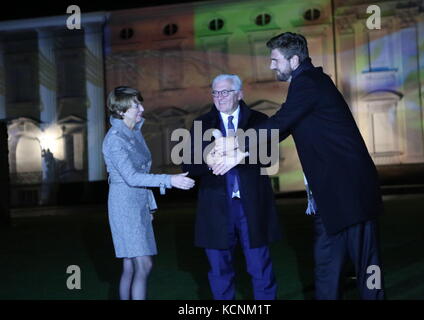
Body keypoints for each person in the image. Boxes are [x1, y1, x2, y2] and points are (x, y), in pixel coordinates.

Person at [211, 33, 385, 300]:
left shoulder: (309, 82)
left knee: (366, 264)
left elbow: (281, 122)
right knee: (326, 264)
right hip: (331, 194)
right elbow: (284, 127)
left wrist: (237, 144)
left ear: (294, 59)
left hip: (349, 190)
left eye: (275, 60)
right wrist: (239, 154)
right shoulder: (309, 83)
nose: (271, 65)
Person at [182, 74, 282, 300]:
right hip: (216, 207)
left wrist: (239, 155)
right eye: (215, 92)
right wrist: (209, 157)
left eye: (225, 91)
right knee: (219, 271)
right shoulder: (201, 124)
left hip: (251, 207)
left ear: (240, 94)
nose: (220, 97)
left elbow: (270, 156)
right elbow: (187, 163)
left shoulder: (258, 120)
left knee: (260, 267)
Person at [102, 86, 195, 300]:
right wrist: (170, 180)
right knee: (144, 265)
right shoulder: (116, 139)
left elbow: (140, 173)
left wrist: (148, 206)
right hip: (125, 206)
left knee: (130, 266)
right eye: (136, 105)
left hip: (137, 203)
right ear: (122, 110)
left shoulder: (134, 132)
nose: (142, 109)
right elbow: (132, 177)